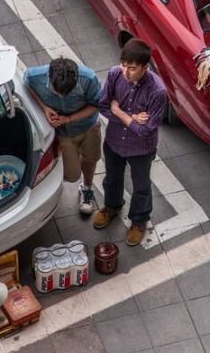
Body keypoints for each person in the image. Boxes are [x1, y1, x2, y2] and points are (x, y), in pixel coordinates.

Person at [92, 39, 168, 246]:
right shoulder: (115, 73)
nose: (126, 72)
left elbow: (145, 130)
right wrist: (132, 117)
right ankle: (112, 206)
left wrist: (120, 112)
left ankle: (139, 220)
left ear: (145, 67)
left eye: (132, 68)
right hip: (115, 141)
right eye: (124, 65)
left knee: (141, 186)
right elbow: (103, 105)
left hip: (141, 149)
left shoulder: (158, 91)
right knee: (112, 179)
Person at [25, 57, 103, 216]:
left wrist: (68, 119)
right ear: (49, 77)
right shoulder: (34, 76)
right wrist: (44, 107)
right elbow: (27, 85)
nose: (61, 97)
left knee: (91, 158)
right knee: (72, 174)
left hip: (88, 126)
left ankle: (87, 189)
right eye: (56, 93)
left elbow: (95, 105)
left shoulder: (89, 79)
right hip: (64, 133)